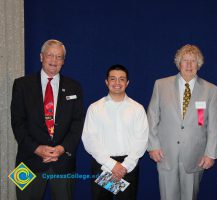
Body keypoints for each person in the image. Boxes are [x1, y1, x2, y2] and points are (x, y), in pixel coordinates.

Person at [10, 39, 84, 199]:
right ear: (41, 57)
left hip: (63, 162)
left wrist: (62, 148)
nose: (54, 60)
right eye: (50, 55)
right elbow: (18, 123)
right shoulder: (21, 85)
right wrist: (37, 148)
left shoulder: (74, 86)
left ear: (63, 61)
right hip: (27, 160)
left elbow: (77, 124)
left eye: (59, 57)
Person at [147, 44, 217, 200]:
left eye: (193, 61)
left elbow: (213, 125)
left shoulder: (211, 90)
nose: (188, 65)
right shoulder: (161, 85)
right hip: (165, 154)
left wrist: (210, 154)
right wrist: (153, 146)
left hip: (196, 156)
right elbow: (152, 116)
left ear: (198, 64)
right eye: (185, 60)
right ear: (178, 64)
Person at [82, 64, 149, 200]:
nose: (117, 83)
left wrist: (124, 166)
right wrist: (112, 165)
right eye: (113, 79)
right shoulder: (95, 108)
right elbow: (89, 139)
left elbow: (142, 139)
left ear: (127, 82)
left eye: (121, 79)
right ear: (106, 82)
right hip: (104, 166)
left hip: (128, 167)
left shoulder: (137, 109)